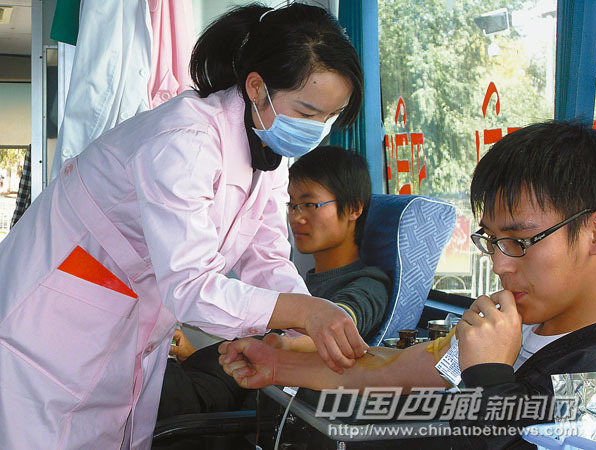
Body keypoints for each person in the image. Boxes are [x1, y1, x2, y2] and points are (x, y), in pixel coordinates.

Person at [0, 5, 366, 449]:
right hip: (51, 336)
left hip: (125, 337)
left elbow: (265, 256)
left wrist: (304, 324)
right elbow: (192, 288)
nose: (317, 130)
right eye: (307, 112)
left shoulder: (268, 155)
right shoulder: (183, 140)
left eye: (329, 118)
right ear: (256, 87)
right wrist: (304, 314)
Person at [220, 120, 596, 449]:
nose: (500, 264)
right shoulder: (516, 322)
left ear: (594, 233)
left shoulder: (587, 371)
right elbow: (396, 371)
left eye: (520, 241)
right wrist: (278, 365)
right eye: (493, 241)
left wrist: (488, 375)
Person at [158, 146, 390, 419]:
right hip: (214, 378)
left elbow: (336, 326)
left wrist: (283, 346)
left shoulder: (369, 283)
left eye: (309, 204)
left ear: (353, 208)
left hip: (239, 402)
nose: (296, 217)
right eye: (291, 205)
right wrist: (197, 353)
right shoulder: (293, 283)